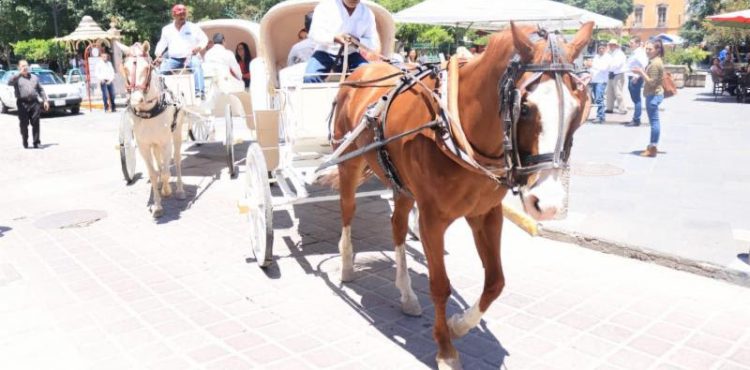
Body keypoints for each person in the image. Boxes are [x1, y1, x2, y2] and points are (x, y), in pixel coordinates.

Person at [304, 0, 379, 83]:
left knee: (369, 76)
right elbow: (314, 34)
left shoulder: (367, 13)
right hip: (325, 52)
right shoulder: (324, 7)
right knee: (310, 77)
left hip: (352, 54)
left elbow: (372, 42)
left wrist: (357, 41)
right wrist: (334, 38)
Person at [155, 4, 208, 99]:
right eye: (179, 14)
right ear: (174, 15)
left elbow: (204, 39)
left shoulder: (193, 27)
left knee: (197, 65)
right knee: (161, 70)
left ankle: (200, 92)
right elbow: (162, 44)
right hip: (173, 59)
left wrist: (199, 47)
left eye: (184, 14)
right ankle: (159, 94)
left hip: (190, 58)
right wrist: (158, 54)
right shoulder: (167, 29)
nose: (182, 16)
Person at [632, 40, 665, 157]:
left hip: (653, 95)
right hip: (652, 94)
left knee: (654, 122)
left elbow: (652, 82)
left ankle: (652, 147)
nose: (647, 51)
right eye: (646, 49)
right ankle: (653, 145)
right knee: (654, 122)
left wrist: (641, 72)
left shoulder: (655, 63)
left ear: (657, 50)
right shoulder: (654, 61)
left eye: (650, 49)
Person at [8, 60, 49, 148]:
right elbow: (9, 82)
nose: (25, 67)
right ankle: (25, 140)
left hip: (34, 103)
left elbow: (40, 89)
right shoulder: (16, 78)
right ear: (19, 67)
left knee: (36, 123)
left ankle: (36, 142)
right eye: (23, 66)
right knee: (24, 124)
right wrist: (19, 74)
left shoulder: (34, 77)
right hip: (22, 103)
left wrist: (45, 100)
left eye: (26, 65)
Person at [625, 37, 648, 127]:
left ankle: (636, 119)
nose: (630, 44)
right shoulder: (635, 53)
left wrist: (637, 77)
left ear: (637, 44)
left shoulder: (639, 53)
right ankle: (636, 119)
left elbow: (644, 65)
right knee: (635, 100)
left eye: (632, 43)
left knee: (637, 100)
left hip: (635, 78)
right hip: (631, 77)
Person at [590, 44, 610, 124]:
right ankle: (601, 116)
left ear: (605, 49)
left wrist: (592, 65)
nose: (601, 49)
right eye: (599, 48)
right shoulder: (596, 57)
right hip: (594, 80)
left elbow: (604, 68)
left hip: (601, 81)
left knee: (599, 99)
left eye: (602, 48)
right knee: (597, 99)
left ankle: (600, 116)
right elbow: (592, 68)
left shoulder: (608, 57)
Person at [605, 39, 627, 115]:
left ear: (616, 46)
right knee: (609, 92)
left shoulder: (620, 54)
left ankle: (623, 108)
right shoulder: (611, 54)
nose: (611, 46)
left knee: (618, 93)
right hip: (612, 74)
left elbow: (616, 65)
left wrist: (608, 68)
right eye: (610, 45)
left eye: (613, 45)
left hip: (618, 74)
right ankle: (609, 108)